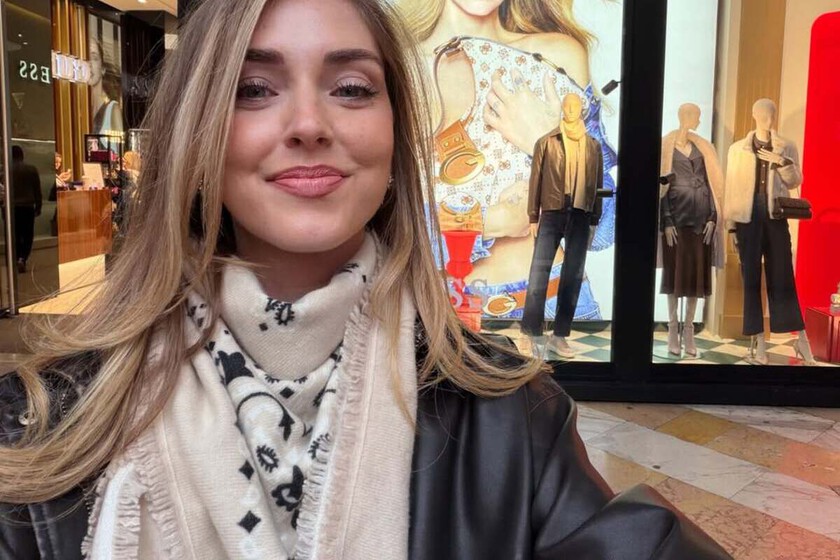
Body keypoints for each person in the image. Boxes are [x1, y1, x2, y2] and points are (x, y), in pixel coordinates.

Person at [0, 1, 730, 559]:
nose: (309, 124)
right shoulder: (42, 420)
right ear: (198, 128)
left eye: (351, 88)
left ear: (392, 135)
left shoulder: (512, 419)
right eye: (254, 88)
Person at [398, 0, 617, 323]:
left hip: (554, 305)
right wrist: (492, 221)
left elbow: (602, 229)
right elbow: (384, 230)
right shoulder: (397, 64)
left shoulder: (557, 56)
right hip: (437, 314)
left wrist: (548, 144)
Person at [10, 146, 42, 274]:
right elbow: (37, 189)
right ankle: (22, 258)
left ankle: (17, 257)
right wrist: (38, 206)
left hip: (12, 207)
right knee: (27, 234)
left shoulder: (5, 170)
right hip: (27, 206)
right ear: (22, 155)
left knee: (15, 234)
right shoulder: (31, 169)